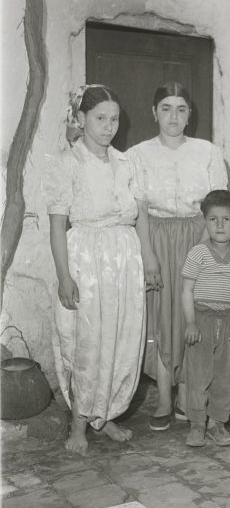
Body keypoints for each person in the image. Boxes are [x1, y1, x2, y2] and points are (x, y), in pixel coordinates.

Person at [43, 84, 146, 455]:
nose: (108, 126)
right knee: (87, 342)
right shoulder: (67, 164)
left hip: (124, 260)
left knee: (120, 338)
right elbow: (57, 226)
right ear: (82, 119)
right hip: (85, 259)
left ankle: (108, 414)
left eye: (114, 118)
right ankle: (79, 423)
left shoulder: (125, 163)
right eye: (100, 118)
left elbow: (139, 215)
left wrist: (145, 260)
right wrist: (64, 276)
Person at [127, 82, 228, 431]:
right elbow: (138, 208)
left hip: (198, 237)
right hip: (155, 237)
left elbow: (218, 205)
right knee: (160, 316)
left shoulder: (208, 152)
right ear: (154, 112)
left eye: (181, 109)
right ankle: (164, 397)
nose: (173, 116)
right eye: (166, 108)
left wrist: (202, 252)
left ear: (190, 114)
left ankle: (188, 394)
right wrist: (149, 256)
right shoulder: (138, 154)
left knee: (193, 315)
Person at [181, 190, 230, 448]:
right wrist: (190, 323)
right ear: (205, 221)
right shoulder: (198, 253)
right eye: (213, 220)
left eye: (226, 219)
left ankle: (217, 423)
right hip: (202, 319)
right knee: (199, 374)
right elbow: (187, 290)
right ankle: (197, 424)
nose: (220, 225)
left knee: (227, 375)